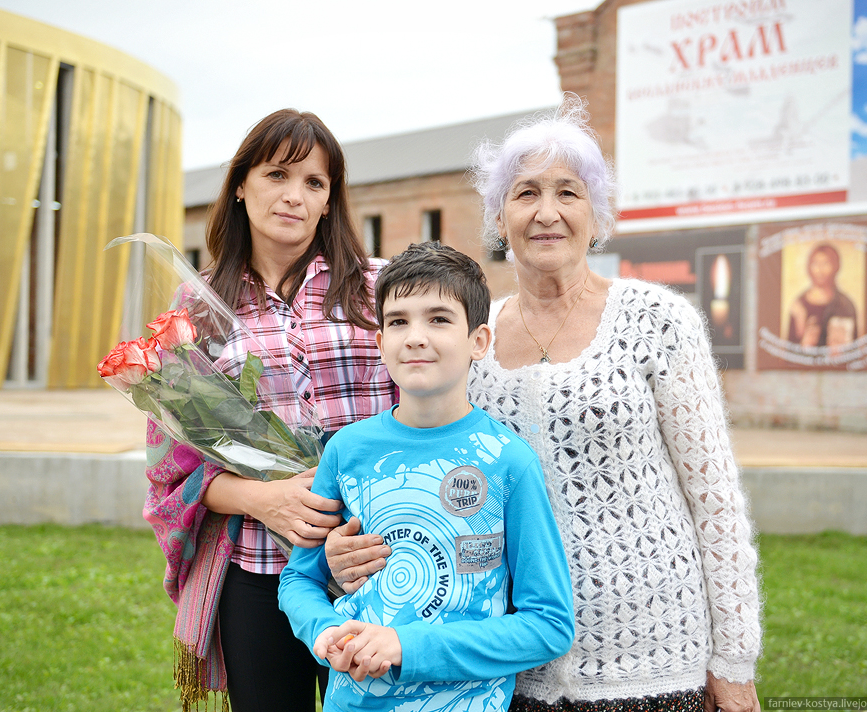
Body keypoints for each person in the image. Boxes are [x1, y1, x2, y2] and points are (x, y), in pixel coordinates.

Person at [325, 96, 762, 712]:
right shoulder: (469, 339)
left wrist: (734, 661)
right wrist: (355, 547)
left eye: (569, 193)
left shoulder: (657, 321)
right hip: (508, 666)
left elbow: (716, 503)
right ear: (499, 218)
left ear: (596, 215)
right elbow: (426, 474)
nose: (547, 212)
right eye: (526, 193)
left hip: (655, 654)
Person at [143, 109, 397, 712]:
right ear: (240, 185)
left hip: (380, 561)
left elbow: (435, 407)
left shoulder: (383, 289)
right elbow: (171, 464)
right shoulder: (198, 307)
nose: (295, 196)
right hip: (256, 574)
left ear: (331, 200)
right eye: (277, 174)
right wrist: (265, 499)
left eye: (315, 183)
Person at [278, 242, 575, 712]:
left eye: (438, 319)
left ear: (479, 340)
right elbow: (298, 580)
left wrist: (405, 647)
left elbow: (549, 625)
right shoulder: (347, 451)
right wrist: (324, 631)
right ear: (380, 343)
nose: (414, 336)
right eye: (398, 321)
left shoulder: (507, 461)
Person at [787, 242, 858, 348]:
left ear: (835, 266)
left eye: (825, 263)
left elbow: (854, 352)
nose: (820, 270)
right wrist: (804, 343)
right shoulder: (799, 306)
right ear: (809, 267)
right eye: (815, 263)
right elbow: (788, 353)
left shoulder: (845, 305)